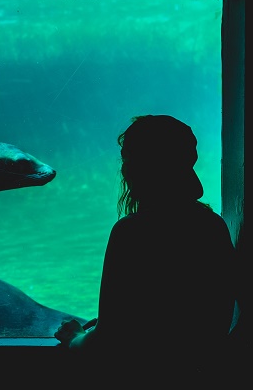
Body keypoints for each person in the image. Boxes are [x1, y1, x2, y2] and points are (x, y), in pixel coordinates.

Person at [54, 115, 237, 383]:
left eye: (127, 159)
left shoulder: (131, 233)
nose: (124, 169)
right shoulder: (213, 226)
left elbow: (107, 343)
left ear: (141, 168)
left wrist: (75, 338)